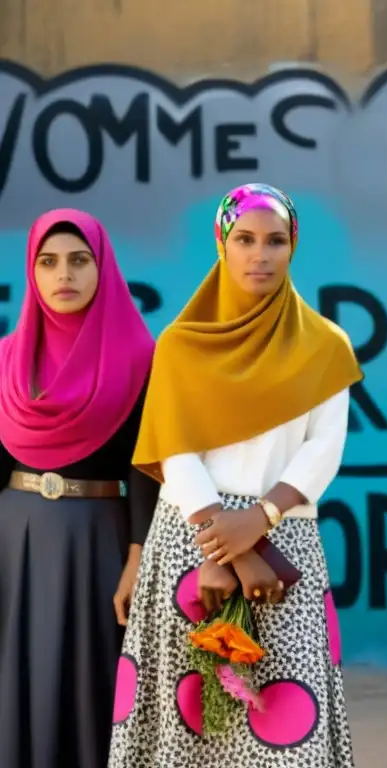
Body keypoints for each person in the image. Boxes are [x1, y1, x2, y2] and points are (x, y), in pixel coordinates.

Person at [107, 184, 363, 767]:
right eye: (245, 239)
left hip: (284, 547)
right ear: (222, 243)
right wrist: (230, 546)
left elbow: (324, 448)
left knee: (286, 728)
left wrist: (261, 518)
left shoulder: (326, 346)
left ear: (293, 247)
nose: (261, 254)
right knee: (188, 729)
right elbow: (175, 449)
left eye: (276, 241)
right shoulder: (179, 347)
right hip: (192, 546)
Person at [0, 209, 157, 768]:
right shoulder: (5, 359)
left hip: (99, 542)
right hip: (13, 542)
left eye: (78, 260)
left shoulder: (140, 358)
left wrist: (138, 555)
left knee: (94, 683)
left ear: (102, 267)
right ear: (33, 273)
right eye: (48, 262)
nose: (63, 275)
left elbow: (146, 467)